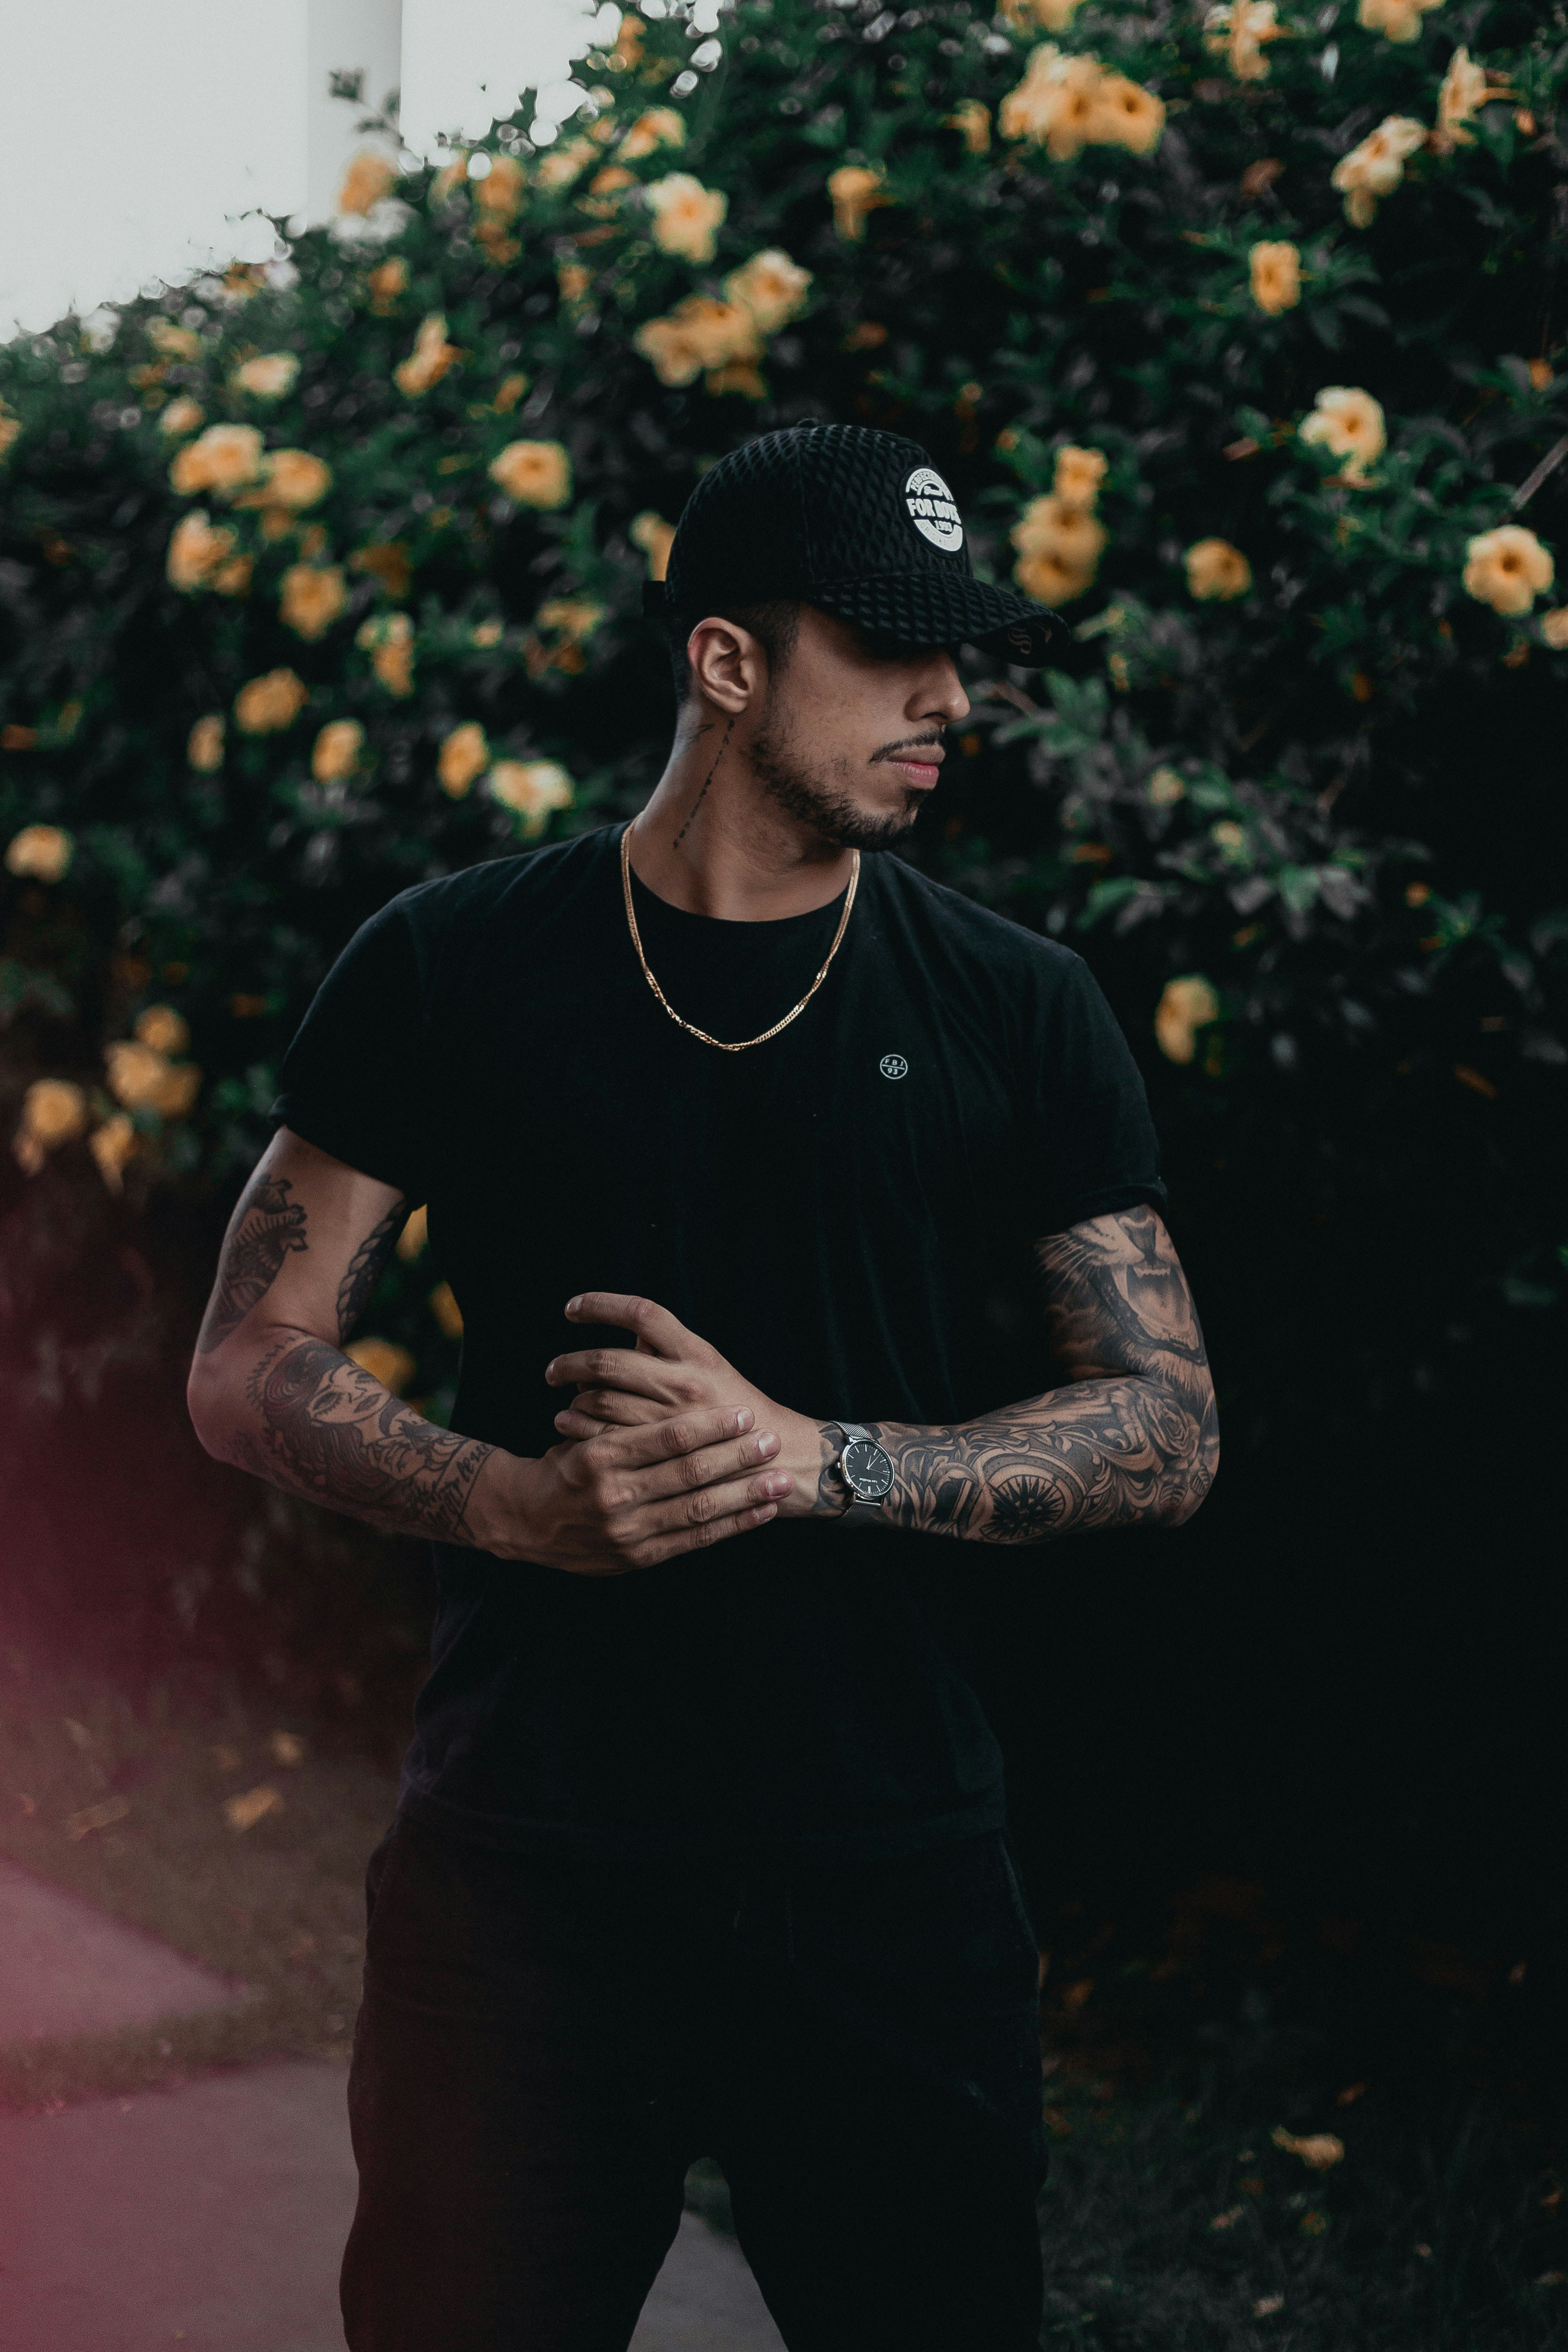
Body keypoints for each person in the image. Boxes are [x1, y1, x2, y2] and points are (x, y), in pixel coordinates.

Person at [187, 422, 1218, 2352]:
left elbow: (1169, 1421)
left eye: (959, 650)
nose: (949, 701)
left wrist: (809, 1456)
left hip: (892, 1883)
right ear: (727, 663)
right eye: (890, 651)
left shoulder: (1017, 1001)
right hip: (528, 1878)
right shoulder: (451, 967)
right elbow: (248, 1357)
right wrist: (514, 1505)